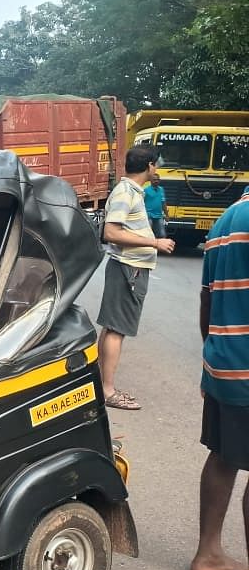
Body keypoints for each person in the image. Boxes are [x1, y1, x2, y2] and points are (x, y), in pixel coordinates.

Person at [191, 195, 249, 570]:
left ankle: (208, 552)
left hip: (224, 361)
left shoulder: (226, 219)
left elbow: (206, 301)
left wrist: (212, 356)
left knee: (223, 455)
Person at [96, 144, 176, 410]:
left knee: (112, 328)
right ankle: (107, 391)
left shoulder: (131, 192)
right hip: (128, 268)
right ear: (150, 165)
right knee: (117, 330)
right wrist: (155, 243)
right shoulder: (125, 192)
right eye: (157, 165)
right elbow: (111, 232)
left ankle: (101, 385)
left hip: (128, 268)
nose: (158, 170)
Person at [143, 172, 167, 239]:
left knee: (162, 234)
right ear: (150, 181)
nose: (156, 181)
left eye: (157, 179)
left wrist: (166, 215)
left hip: (159, 215)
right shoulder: (146, 190)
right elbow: (142, 202)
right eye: (154, 179)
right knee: (149, 234)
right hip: (149, 215)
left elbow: (163, 202)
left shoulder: (161, 190)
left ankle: (160, 248)